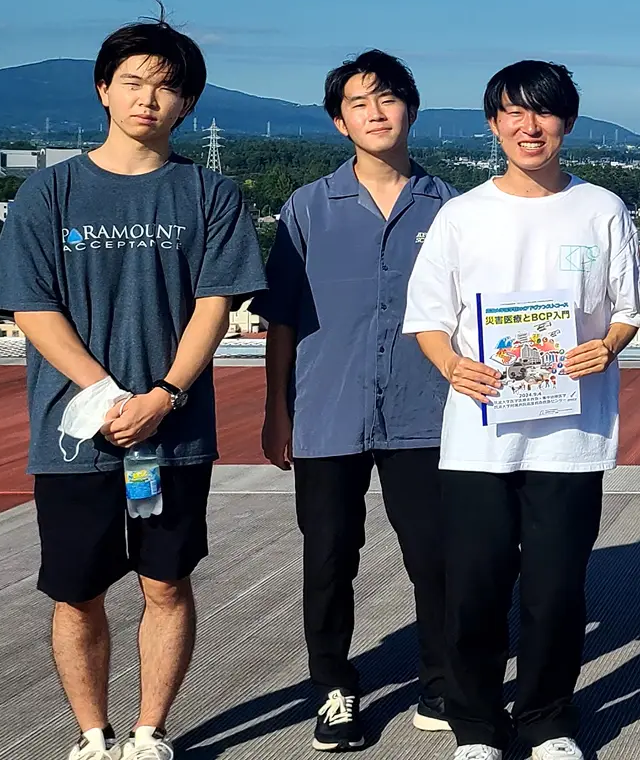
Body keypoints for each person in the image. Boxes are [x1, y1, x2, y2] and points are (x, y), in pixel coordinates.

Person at [0, 17, 265, 760]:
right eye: (133, 82)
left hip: (171, 434)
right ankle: (92, 734)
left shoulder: (209, 194)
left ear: (187, 103)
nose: (148, 99)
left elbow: (214, 306)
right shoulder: (50, 193)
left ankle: (148, 732)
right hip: (74, 434)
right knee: (76, 590)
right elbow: (31, 307)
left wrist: (164, 395)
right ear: (103, 89)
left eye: (167, 87)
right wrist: (110, 396)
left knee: (165, 582)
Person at [400, 60, 640, 760]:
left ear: (567, 122)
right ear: (493, 124)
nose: (528, 126)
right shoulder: (462, 215)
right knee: (473, 588)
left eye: (543, 112)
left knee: (556, 590)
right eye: (513, 112)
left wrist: (607, 345)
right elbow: (427, 317)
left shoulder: (602, 209)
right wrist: (452, 366)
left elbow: (629, 309)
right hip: (479, 438)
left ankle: (547, 720)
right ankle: (476, 726)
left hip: (570, 436)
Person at [257, 49, 458, 752]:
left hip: (427, 412)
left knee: (435, 556)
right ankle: (334, 689)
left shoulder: (451, 208)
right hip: (327, 411)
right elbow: (282, 319)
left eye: (388, 98)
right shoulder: (307, 208)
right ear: (339, 121)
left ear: (412, 108)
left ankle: (441, 683)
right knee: (329, 558)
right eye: (358, 103)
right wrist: (276, 409)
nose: (376, 113)